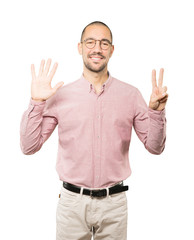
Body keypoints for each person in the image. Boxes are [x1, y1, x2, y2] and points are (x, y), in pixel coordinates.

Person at [20, 21, 168, 240]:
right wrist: (36, 101)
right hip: (72, 204)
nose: (97, 48)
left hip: (114, 205)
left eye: (104, 43)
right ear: (80, 47)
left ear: (112, 50)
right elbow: (29, 146)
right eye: (90, 42)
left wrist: (156, 112)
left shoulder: (131, 95)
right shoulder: (60, 95)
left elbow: (155, 148)